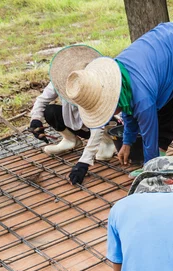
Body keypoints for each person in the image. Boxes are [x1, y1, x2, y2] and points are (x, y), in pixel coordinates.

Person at [58, 22, 173, 178]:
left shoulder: (142, 98)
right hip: (168, 57)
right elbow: (128, 108)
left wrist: (149, 171)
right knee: (164, 109)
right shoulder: (116, 81)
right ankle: (159, 163)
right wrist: (127, 143)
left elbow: (149, 136)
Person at [30, 45, 118, 185]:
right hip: (77, 124)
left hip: (100, 126)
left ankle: (107, 142)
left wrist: (83, 162)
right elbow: (42, 100)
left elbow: (98, 125)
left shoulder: (99, 85)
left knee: (103, 150)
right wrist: (35, 120)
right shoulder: (63, 80)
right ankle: (70, 140)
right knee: (50, 111)